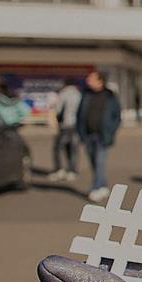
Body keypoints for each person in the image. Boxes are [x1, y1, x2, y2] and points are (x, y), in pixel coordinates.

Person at [76, 71, 121, 203]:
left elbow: (117, 116)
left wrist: (111, 130)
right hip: (88, 134)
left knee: (100, 161)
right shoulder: (86, 95)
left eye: (91, 79)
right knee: (93, 162)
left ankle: (95, 188)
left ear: (100, 81)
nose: (88, 81)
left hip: (103, 135)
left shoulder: (110, 97)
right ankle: (102, 185)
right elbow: (79, 114)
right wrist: (80, 131)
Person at [50, 78, 82, 181]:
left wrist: (57, 121)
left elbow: (58, 110)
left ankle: (59, 170)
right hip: (76, 125)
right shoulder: (79, 94)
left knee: (58, 148)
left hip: (65, 125)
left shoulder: (63, 94)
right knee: (73, 149)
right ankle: (72, 171)